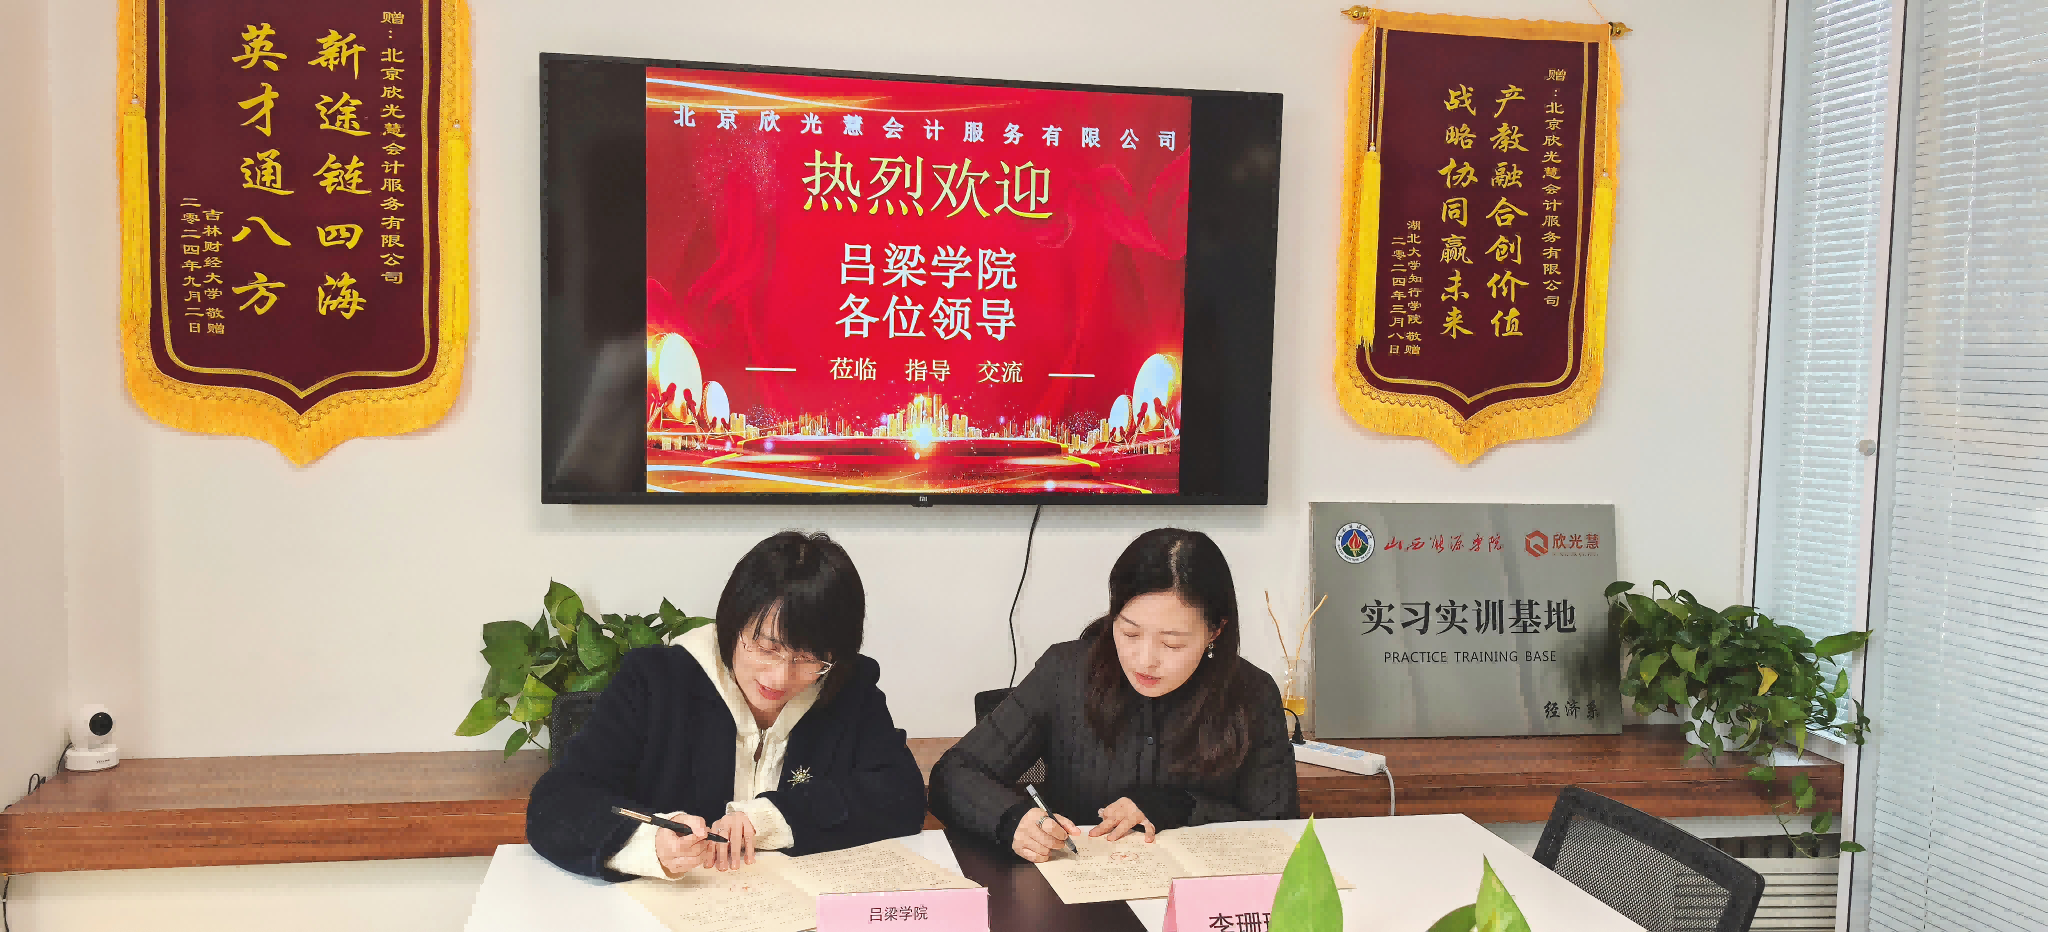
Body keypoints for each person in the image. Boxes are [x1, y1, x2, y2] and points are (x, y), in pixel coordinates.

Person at [527, 531, 926, 880]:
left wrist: (768, 819)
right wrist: (651, 844)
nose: (780, 678)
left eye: (807, 659)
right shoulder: (655, 682)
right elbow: (558, 803)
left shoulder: (848, 687)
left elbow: (902, 795)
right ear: (734, 623)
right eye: (766, 647)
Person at [929, 528, 1299, 862]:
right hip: (1078, 893)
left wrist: (1180, 807)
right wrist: (1012, 820)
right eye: (1130, 633)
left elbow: (1279, 827)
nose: (1145, 660)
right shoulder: (1064, 673)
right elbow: (953, 775)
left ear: (1215, 630)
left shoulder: (1252, 694)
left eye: (1172, 643)